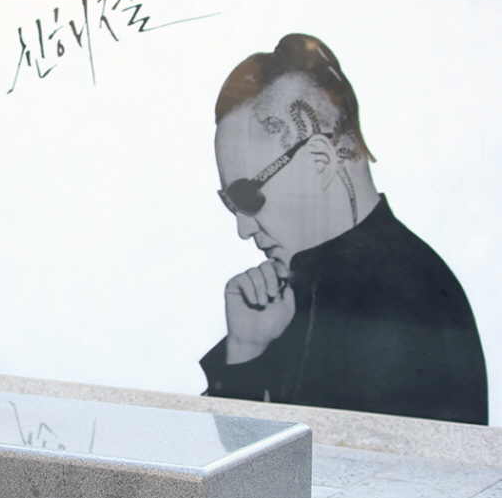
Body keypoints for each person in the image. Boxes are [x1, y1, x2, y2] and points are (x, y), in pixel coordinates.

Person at [200, 33, 487, 425]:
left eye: (247, 196)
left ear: (319, 161)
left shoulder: (404, 303)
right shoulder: (301, 291)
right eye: (230, 203)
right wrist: (246, 348)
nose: (243, 229)